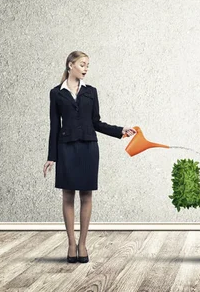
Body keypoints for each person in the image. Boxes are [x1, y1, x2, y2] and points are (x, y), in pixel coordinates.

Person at [42, 50, 136, 263]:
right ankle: (70, 244)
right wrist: (51, 156)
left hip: (88, 149)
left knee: (86, 195)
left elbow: (96, 123)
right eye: (82, 64)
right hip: (66, 148)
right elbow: (54, 126)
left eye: (87, 66)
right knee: (68, 195)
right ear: (70, 65)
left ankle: (83, 244)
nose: (85, 69)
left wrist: (121, 130)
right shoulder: (56, 93)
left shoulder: (91, 92)